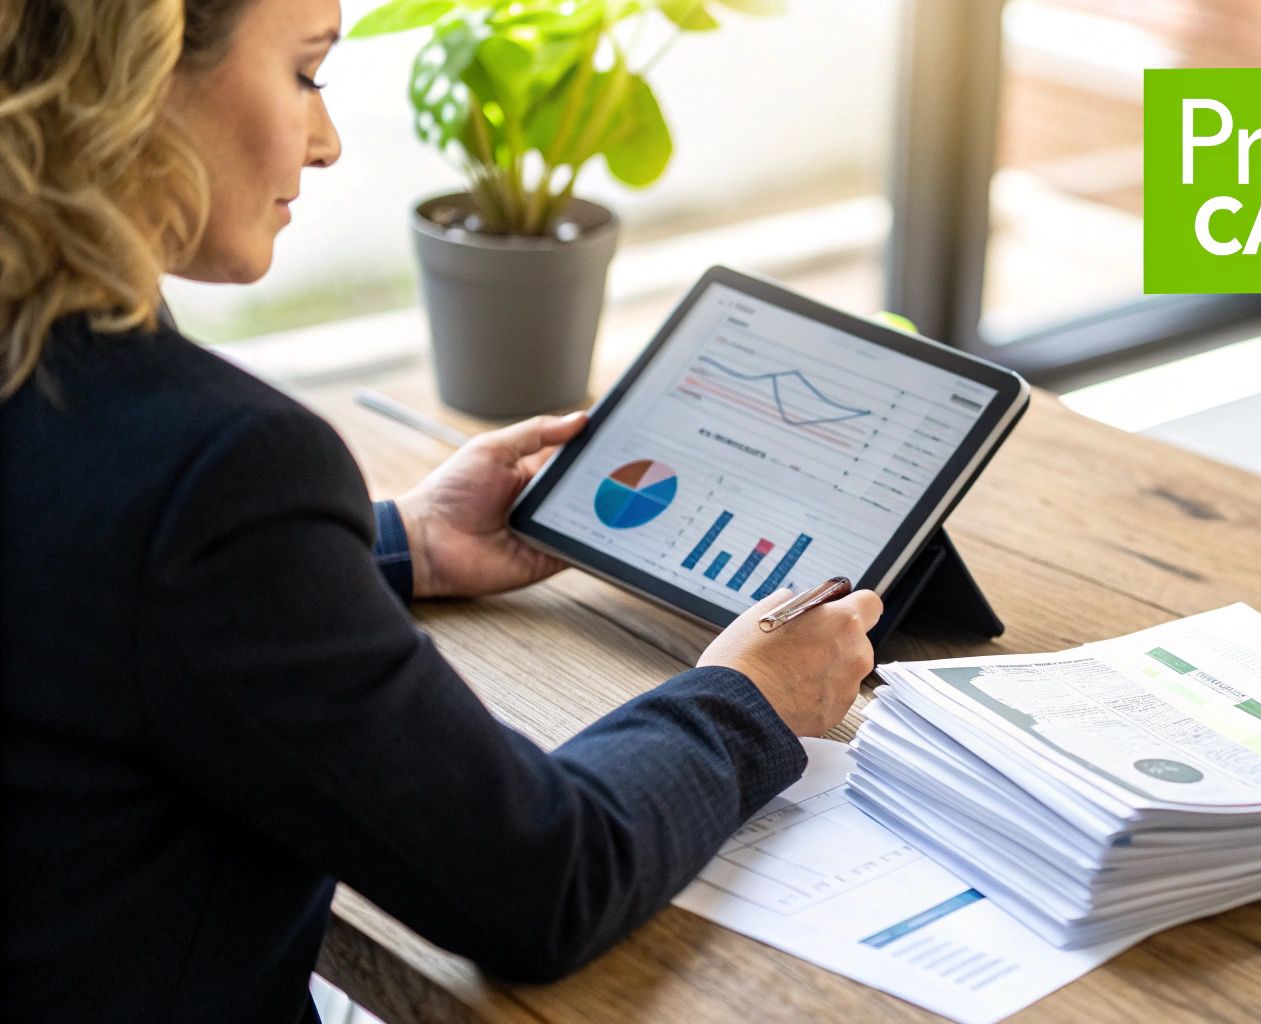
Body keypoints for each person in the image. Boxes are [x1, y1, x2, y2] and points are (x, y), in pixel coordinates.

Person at [0, 1, 883, 1020]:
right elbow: (540, 880)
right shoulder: (219, 470)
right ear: (135, 81)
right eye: (304, 73)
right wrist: (749, 699)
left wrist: (400, 542)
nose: (326, 144)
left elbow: (78, 566)